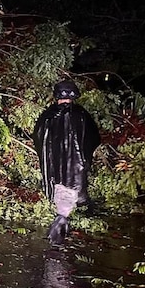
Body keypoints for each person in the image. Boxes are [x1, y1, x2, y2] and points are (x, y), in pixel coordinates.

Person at [32, 79, 101, 244]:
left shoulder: (48, 115)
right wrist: (84, 156)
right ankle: (59, 229)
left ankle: (60, 227)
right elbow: (94, 137)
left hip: (55, 168)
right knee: (69, 193)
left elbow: (38, 137)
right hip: (75, 167)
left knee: (61, 193)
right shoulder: (81, 114)